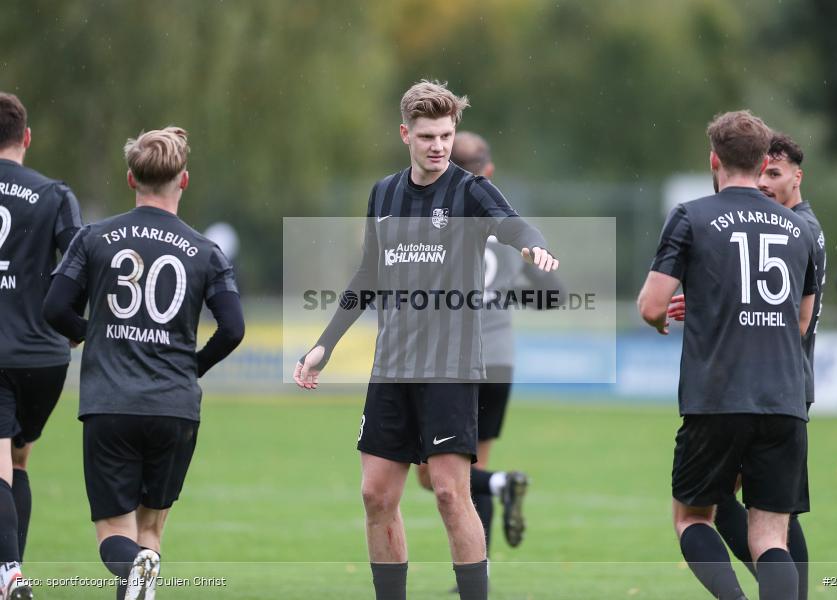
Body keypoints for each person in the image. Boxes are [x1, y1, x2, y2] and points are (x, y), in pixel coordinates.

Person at [293, 81, 558, 600]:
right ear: (405, 135)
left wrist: (534, 248)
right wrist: (324, 343)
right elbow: (366, 276)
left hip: (451, 368)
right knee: (375, 494)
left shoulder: (470, 190)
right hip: (391, 367)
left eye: (446, 134)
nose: (438, 145)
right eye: (427, 136)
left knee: (448, 495)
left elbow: (515, 225)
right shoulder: (384, 194)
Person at [43, 127, 245, 600]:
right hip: (173, 405)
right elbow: (233, 328)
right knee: (150, 533)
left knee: (115, 530)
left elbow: (53, 307)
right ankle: (143, 566)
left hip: (109, 402)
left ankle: (133, 566)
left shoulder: (94, 238)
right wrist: (192, 366)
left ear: (130, 179)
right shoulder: (205, 251)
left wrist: (86, 333)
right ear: (185, 181)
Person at [638, 110, 817, 600]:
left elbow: (652, 305)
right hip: (783, 399)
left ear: (713, 160)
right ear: (764, 164)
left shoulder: (691, 215)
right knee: (770, 538)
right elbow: (800, 321)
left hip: (716, 395)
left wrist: (663, 320)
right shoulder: (799, 228)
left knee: (692, 517)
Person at [415, 131, 565, 560]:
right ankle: (477, 573)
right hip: (499, 362)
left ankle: (501, 486)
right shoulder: (506, 230)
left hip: (451, 361)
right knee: (470, 465)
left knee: (432, 476)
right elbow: (553, 294)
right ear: (489, 172)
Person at [0, 91, 84, 598]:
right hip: (44, 356)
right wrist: (76, 328)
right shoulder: (55, 194)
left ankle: (8, 572)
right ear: (26, 138)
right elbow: (82, 268)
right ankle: (11, 574)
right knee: (18, 460)